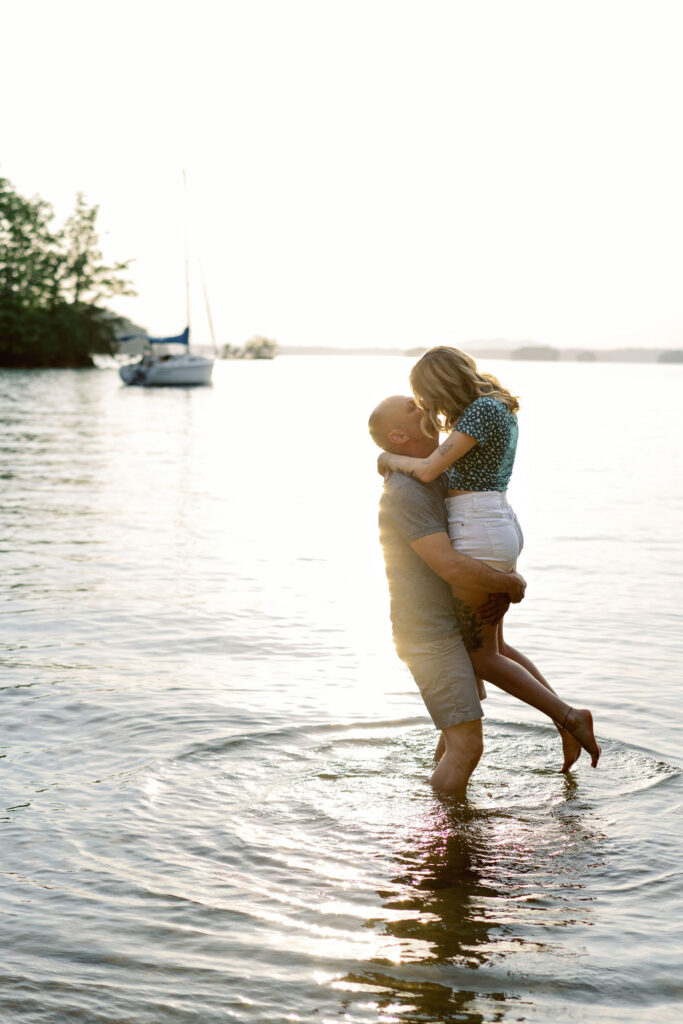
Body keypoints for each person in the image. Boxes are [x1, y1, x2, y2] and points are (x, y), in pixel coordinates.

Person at [375, 348, 600, 770]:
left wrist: (387, 459)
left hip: (478, 529)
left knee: (482, 656)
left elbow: (425, 471)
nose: (423, 406)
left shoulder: (479, 412)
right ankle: (563, 722)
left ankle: (569, 717)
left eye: (421, 396)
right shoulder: (494, 407)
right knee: (494, 647)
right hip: (494, 524)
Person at [369, 393, 528, 796]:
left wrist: (495, 589)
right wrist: (509, 583)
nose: (423, 406)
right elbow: (451, 566)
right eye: (411, 406)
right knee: (467, 745)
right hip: (429, 634)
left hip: (452, 621)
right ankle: (444, 842)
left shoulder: (444, 474)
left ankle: (449, 826)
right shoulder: (405, 493)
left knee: (457, 737)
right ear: (399, 434)